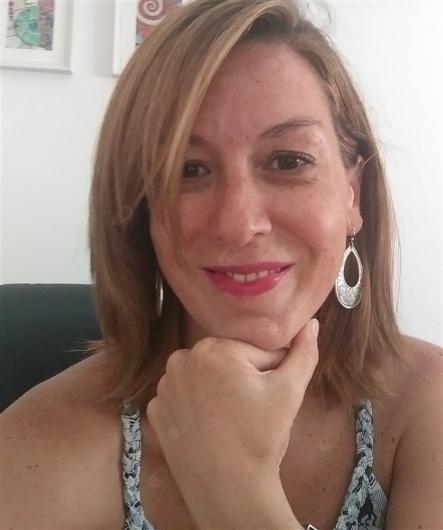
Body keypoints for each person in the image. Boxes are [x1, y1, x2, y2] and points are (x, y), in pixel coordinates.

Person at [1, 0, 442, 529]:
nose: (238, 224)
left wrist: (235, 489)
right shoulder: (35, 447)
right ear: (141, 212)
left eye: (288, 160)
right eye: (188, 170)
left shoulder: (426, 403)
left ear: (353, 194)